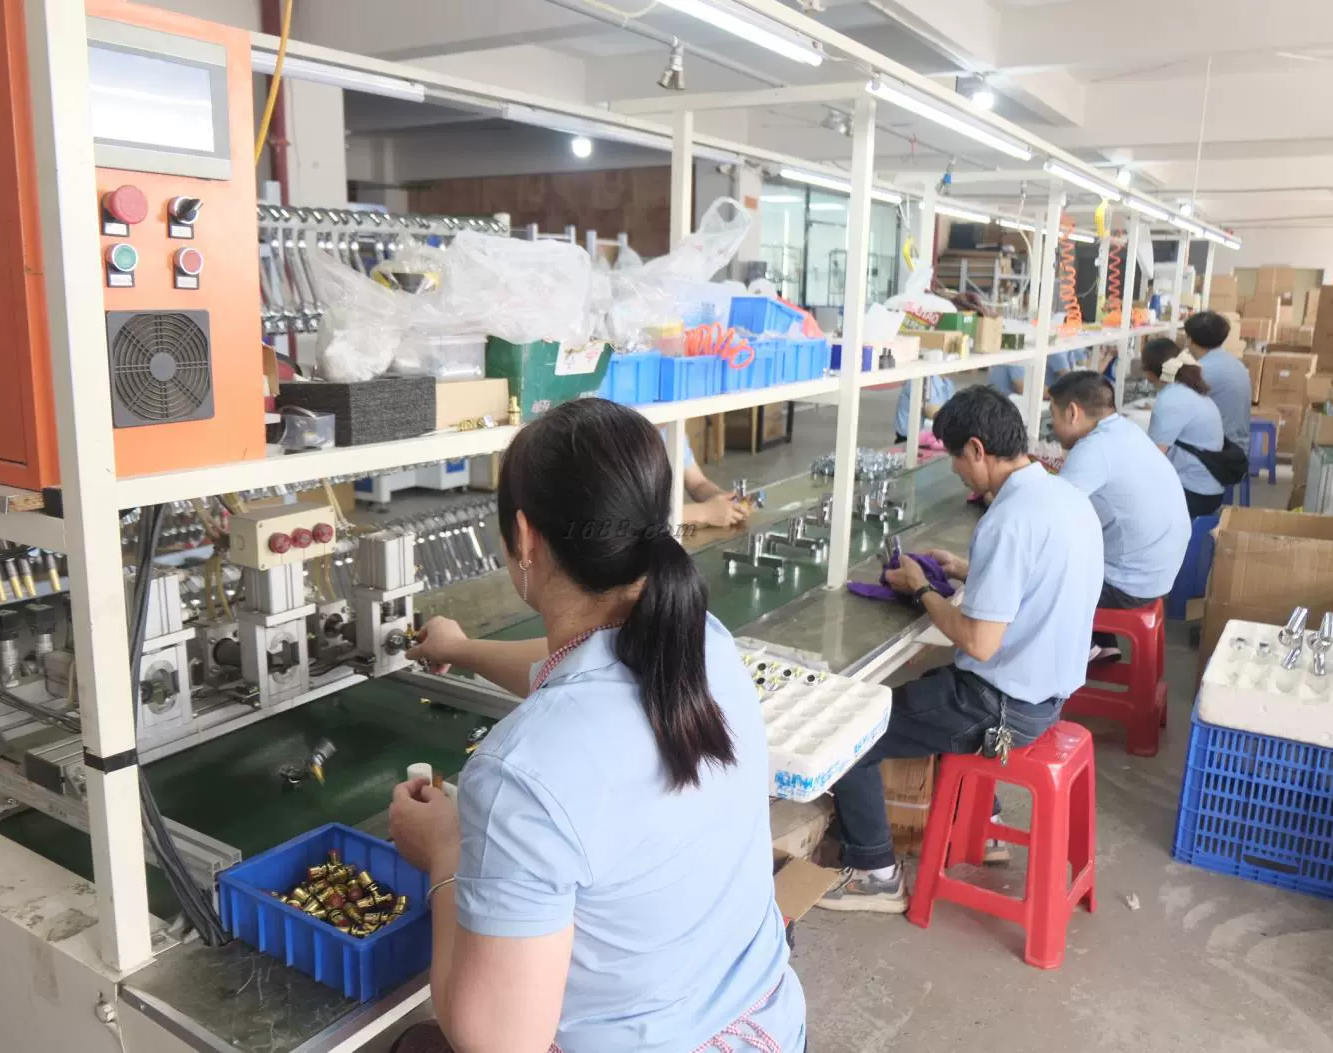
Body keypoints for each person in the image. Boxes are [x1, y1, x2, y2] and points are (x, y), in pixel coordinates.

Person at [389, 398, 805, 1053]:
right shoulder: (702, 642)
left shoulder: (522, 773)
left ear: (524, 538)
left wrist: (445, 851)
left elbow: (497, 1040)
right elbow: (577, 666)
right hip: (768, 1025)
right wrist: (463, 649)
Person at [817, 387, 1103, 913]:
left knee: (849, 730)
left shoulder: (1008, 520)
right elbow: (1038, 580)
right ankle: (983, 823)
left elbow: (978, 641)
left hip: (1000, 708)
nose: (954, 469)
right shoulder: (1063, 497)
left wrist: (921, 589)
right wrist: (964, 570)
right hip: (1048, 697)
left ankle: (876, 874)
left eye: (955, 456)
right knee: (925, 692)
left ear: (977, 448)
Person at [1049, 370, 1191, 662]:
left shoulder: (1094, 449)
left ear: (1073, 412)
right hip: (1160, 571)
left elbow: (1048, 515)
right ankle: (1101, 640)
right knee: (1088, 540)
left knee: (1038, 574)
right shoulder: (1126, 431)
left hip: (1131, 585)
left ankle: (1075, 650)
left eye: (1054, 417)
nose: (1053, 428)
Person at [1142, 337, 1227, 518]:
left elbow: (1153, 460)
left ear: (1149, 373)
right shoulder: (1189, 390)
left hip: (1194, 493)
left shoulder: (1170, 399)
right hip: (1208, 487)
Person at [1186, 310, 1252, 451]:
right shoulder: (1235, 363)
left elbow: (1178, 410)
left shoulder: (1202, 371)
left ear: (1190, 340)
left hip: (1218, 452)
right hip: (1238, 446)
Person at [681, 432, 751, 529]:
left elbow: (697, 484)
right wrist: (706, 512)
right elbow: (657, 516)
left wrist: (727, 502)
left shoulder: (671, 432)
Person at [895, 374, 953, 442]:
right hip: (909, 441)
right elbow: (931, 412)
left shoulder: (947, 383)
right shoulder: (921, 381)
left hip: (931, 438)